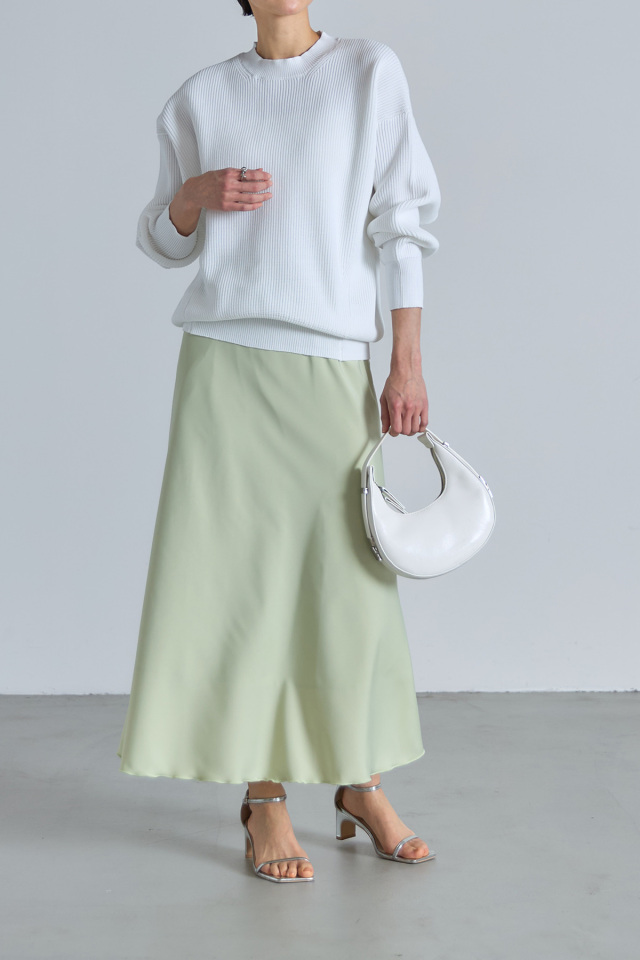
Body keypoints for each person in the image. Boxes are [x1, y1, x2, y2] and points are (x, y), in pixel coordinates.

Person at [117, 0, 441, 884]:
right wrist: (190, 199)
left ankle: (360, 783)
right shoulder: (202, 97)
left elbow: (401, 222)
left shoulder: (368, 72)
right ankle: (263, 799)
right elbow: (161, 240)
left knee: (351, 585)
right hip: (226, 367)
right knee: (240, 586)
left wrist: (406, 363)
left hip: (331, 363)